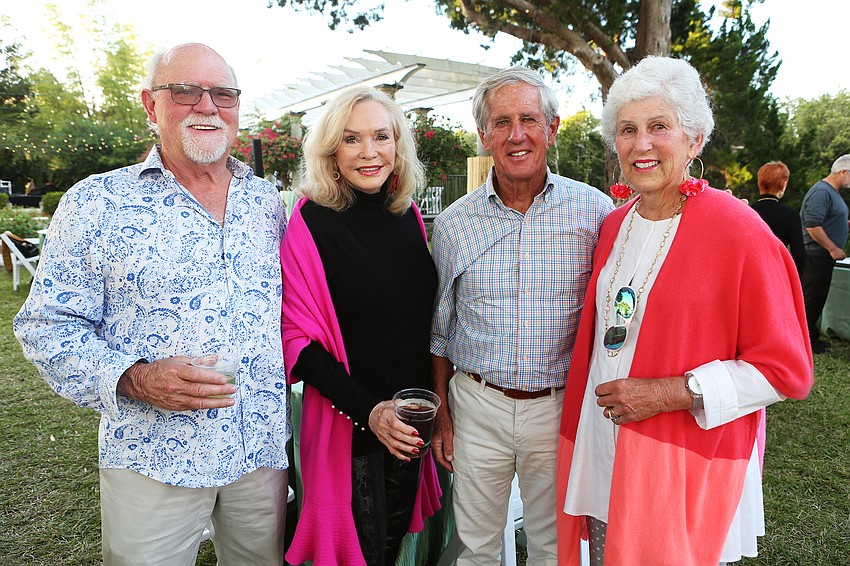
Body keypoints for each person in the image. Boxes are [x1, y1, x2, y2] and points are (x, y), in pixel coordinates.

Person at [14, 43, 290, 566]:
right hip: (152, 455)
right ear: (150, 104)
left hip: (259, 450)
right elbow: (46, 326)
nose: (207, 106)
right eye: (186, 91)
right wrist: (135, 377)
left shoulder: (267, 201)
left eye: (223, 94)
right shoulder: (95, 202)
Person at [555, 56, 814, 565]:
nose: (641, 144)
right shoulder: (615, 224)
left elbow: (787, 373)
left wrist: (670, 392)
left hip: (677, 466)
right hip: (606, 452)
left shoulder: (739, 231)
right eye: (628, 129)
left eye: (659, 127)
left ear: (694, 139)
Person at [429, 67, 613, 564]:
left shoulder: (595, 213)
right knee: (475, 545)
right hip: (477, 406)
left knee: (554, 547)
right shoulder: (452, 224)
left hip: (558, 405)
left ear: (552, 129)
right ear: (484, 135)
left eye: (529, 119)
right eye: (501, 122)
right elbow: (440, 330)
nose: (516, 135)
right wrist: (444, 415)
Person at [280, 86, 441, 566]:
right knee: (356, 553)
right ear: (331, 150)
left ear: (398, 145)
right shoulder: (310, 223)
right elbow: (294, 342)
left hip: (409, 419)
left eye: (381, 136)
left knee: (390, 548)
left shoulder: (406, 213)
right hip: (351, 424)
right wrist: (370, 411)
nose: (370, 152)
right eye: (352, 139)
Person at [799, 154, 850, 354]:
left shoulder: (832, 192)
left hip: (823, 256)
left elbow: (827, 219)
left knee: (817, 298)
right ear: (843, 172)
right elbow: (812, 225)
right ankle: (805, 341)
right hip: (816, 254)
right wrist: (833, 248)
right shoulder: (822, 192)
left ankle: (812, 336)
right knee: (811, 297)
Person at [752, 161, 806, 277]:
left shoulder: (747, 212)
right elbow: (799, 256)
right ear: (783, 183)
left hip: (751, 272)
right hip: (777, 274)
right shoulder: (790, 215)